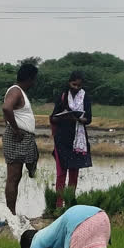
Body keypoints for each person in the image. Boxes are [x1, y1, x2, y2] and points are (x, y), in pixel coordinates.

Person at [50, 71, 92, 208]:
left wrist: (78, 119)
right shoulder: (62, 96)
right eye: (74, 84)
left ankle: (69, 204)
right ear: (69, 83)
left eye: (79, 85)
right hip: (62, 139)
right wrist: (64, 117)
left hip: (78, 141)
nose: (76, 88)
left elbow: (89, 119)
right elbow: (53, 117)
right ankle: (58, 205)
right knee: (61, 173)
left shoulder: (85, 97)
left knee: (74, 173)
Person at [2, 63, 39, 215]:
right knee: (14, 176)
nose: (34, 83)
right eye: (34, 80)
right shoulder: (16, 91)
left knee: (34, 157)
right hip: (18, 137)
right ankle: (11, 214)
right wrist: (16, 129)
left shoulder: (20, 92)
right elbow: (6, 108)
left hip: (25, 138)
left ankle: (31, 168)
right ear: (29, 79)